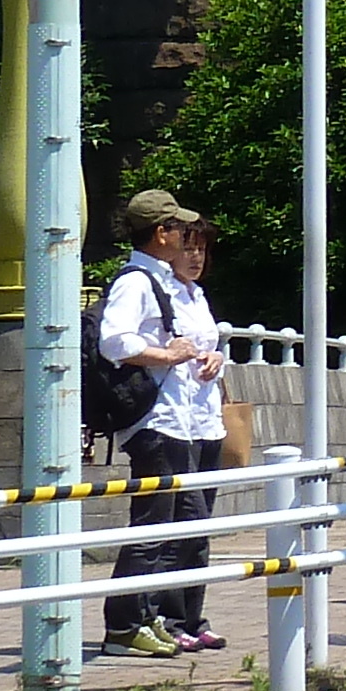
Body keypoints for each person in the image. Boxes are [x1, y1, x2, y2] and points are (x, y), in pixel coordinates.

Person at [99, 187, 230, 657]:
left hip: (193, 417)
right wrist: (166, 354)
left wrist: (209, 357)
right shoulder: (137, 280)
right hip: (159, 421)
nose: (188, 243)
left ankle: (163, 619)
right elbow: (113, 342)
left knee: (183, 524)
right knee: (157, 526)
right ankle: (126, 625)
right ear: (162, 233)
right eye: (180, 231)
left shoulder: (174, 284)